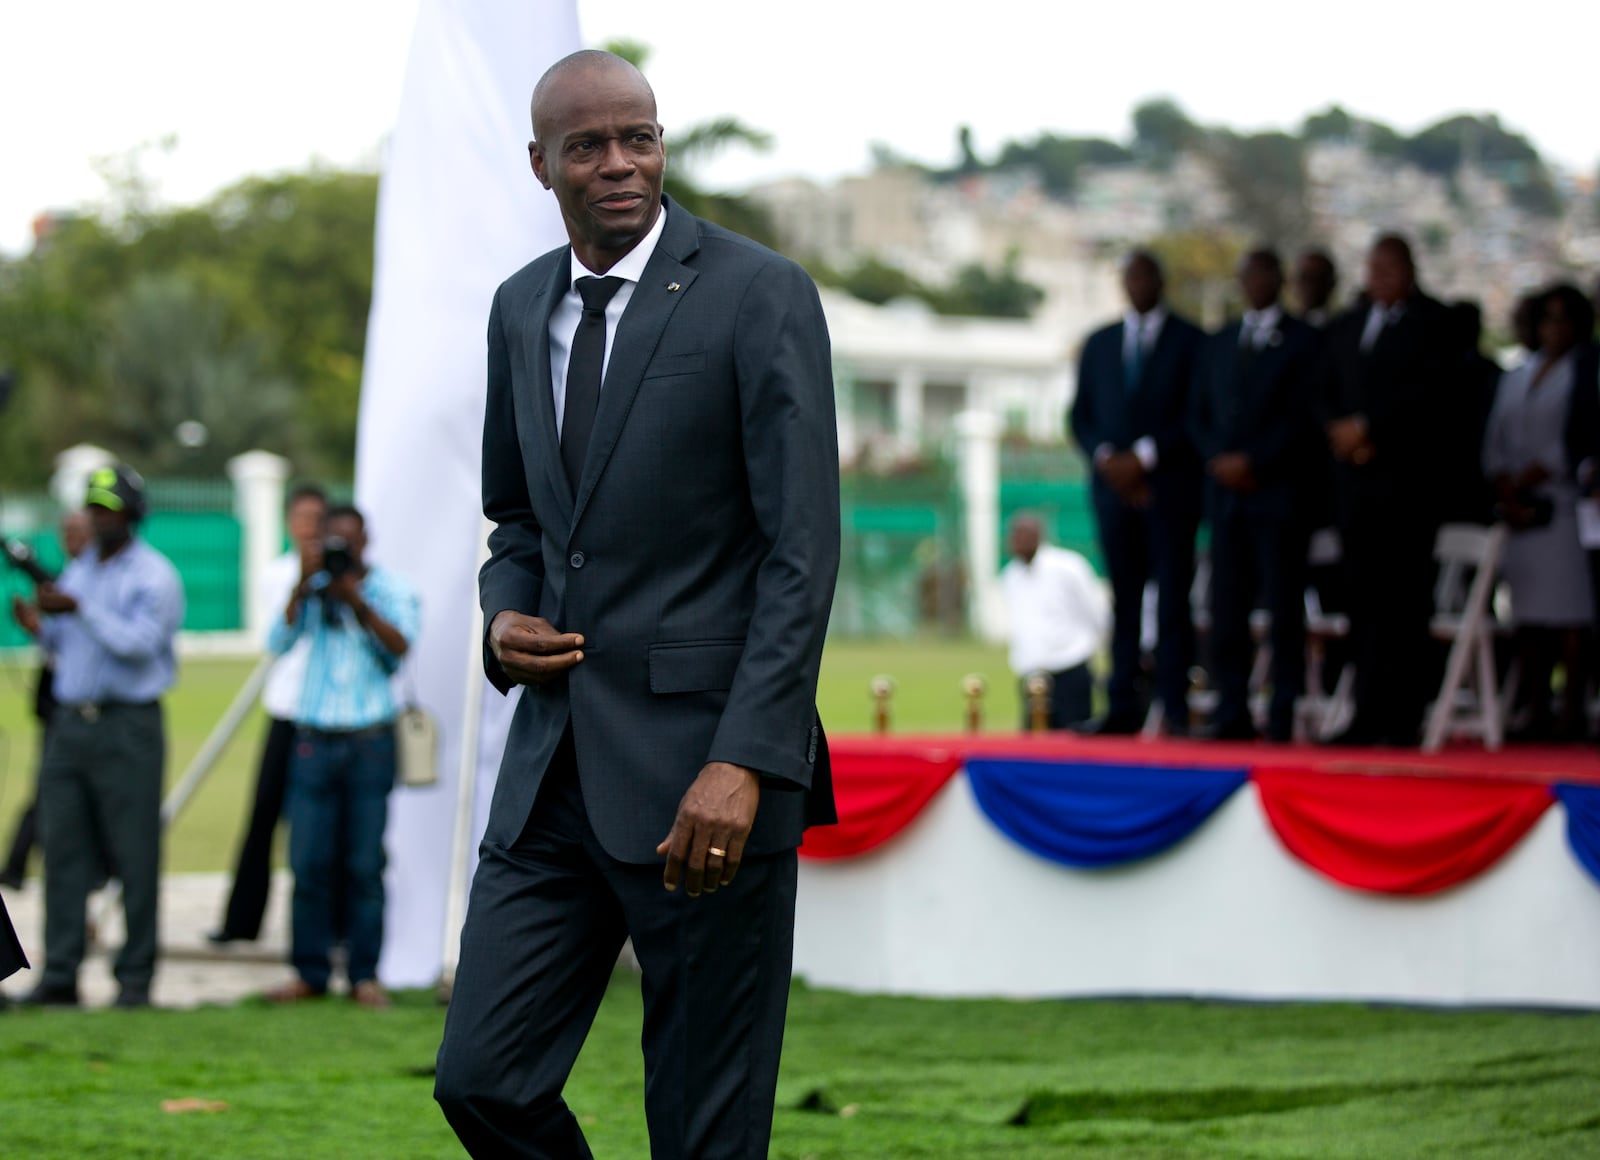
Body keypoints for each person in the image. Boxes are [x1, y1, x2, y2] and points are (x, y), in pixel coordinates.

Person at [433, 50, 840, 1160]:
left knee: (703, 1130)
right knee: (482, 1080)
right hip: (552, 775)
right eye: (588, 147)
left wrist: (746, 759)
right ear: (541, 165)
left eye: (640, 138)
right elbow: (516, 520)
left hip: (708, 780)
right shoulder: (521, 309)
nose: (620, 164)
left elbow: (800, 551)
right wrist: (501, 618)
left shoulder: (760, 293)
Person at [13, 466, 183, 1008]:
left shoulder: (155, 576)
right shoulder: (81, 568)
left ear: (132, 513)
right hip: (69, 723)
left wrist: (80, 610)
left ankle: (135, 979)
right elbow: (69, 645)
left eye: (108, 507)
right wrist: (42, 626)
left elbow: (139, 644)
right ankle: (60, 973)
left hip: (128, 725)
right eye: (93, 507)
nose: (97, 516)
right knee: (61, 849)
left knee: (134, 853)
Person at [262, 505, 418, 1009]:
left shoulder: (391, 589)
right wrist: (303, 585)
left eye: (347, 543)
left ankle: (364, 975)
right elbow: (277, 641)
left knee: (363, 863)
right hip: (312, 739)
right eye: (332, 542)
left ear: (365, 541)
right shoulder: (312, 588)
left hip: (370, 741)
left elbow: (398, 650)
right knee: (307, 861)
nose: (340, 551)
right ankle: (309, 971)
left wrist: (355, 600)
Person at [1313, 234, 1452, 746]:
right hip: (1355, 489)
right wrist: (1341, 432)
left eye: (1391, 267)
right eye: (1374, 268)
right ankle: (1364, 712)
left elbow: (1433, 395)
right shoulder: (1347, 326)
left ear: (1411, 269)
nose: (1381, 277)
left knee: (1406, 605)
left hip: (1407, 489)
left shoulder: (1435, 324)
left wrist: (1372, 430)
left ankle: (1402, 718)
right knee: (1363, 603)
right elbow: (1322, 389)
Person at [1069, 249, 1204, 734]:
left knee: (1172, 602)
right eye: (1129, 277)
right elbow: (1080, 416)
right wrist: (1107, 460)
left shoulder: (1192, 341)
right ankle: (1122, 706)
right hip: (1112, 495)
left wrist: (1145, 460)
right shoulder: (1100, 343)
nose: (1137, 284)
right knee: (1123, 603)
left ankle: (1174, 709)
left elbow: (1196, 417)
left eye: (1145, 275)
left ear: (1160, 281)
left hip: (1168, 492)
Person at [1188, 248, 1321, 741]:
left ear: (1279, 278)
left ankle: (1282, 712)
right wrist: (1219, 461)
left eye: (1264, 272)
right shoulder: (1220, 341)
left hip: (1278, 495)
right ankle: (1231, 711)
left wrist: (1256, 462)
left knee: (1284, 608)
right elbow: (1197, 411)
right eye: (1247, 274)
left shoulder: (1305, 341)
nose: (1254, 282)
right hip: (1226, 498)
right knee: (1228, 609)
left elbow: (1304, 417)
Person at [209, 484, 331, 945]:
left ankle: (324, 929)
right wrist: (303, 582)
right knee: (262, 817)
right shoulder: (277, 574)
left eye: (316, 518)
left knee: (320, 826)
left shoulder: (347, 573)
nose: (307, 527)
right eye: (300, 518)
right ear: (287, 522)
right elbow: (277, 638)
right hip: (286, 710)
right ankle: (241, 922)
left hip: (326, 717)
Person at [1483, 285, 1600, 741]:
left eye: (1563, 319)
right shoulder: (1517, 374)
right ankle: (1534, 707)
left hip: (1563, 503)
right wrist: (1505, 484)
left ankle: (1571, 709)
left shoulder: (1585, 372)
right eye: (1547, 319)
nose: (1555, 328)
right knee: (1527, 613)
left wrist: (1538, 473)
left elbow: (1577, 435)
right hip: (1517, 508)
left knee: (1571, 613)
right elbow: (1496, 435)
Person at [3, 510, 93, 889]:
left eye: (76, 530)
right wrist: (37, 627)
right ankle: (17, 866)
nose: (69, 536)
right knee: (49, 786)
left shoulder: (92, 579)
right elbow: (61, 641)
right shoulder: (68, 577)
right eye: (65, 530)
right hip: (57, 701)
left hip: (91, 706)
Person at [999, 513, 1108, 729]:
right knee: (1034, 744)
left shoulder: (1068, 567)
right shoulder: (1011, 575)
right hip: (1032, 673)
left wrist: (1099, 650)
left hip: (1070, 667)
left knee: (1073, 739)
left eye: (1023, 535)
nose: (1016, 541)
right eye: (1014, 535)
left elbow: (1096, 612)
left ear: (1038, 535)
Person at [1293, 248, 1339, 329]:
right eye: (1304, 277)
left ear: (1331, 284)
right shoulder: (1285, 328)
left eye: (1318, 278)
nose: (1309, 284)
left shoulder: (1341, 329)